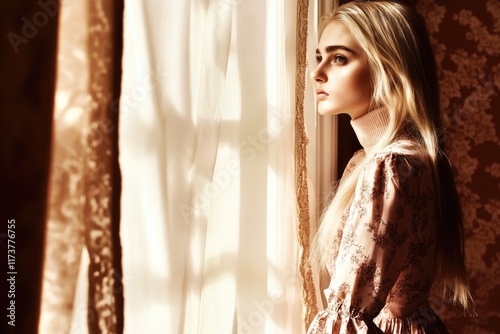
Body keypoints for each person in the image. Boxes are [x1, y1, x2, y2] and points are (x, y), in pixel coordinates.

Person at [308, 1, 473, 333]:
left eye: (339, 58)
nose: (318, 72)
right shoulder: (377, 160)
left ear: (389, 68)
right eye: (319, 57)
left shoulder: (392, 165)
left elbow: (348, 314)